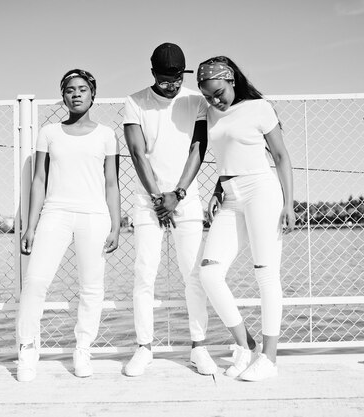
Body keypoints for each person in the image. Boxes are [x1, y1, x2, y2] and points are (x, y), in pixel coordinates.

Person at [15, 69, 121, 382]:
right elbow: (39, 180)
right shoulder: (49, 133)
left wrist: (116, 226)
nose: (76, 94)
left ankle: (83, 348)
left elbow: (112, 183)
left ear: (93, 95)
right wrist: (30, 226)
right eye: (70, 90)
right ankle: (27, 348)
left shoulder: (106, 135)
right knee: (35, 281)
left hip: (94, 215)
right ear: (63, 96)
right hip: (55, 213)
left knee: (91, 287)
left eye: (82, 89)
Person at [196, 56, 295, 382]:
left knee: (265, 274)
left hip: (262, 192)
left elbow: (280, 156)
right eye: (208, 94)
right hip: (230, 197)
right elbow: (226, 155)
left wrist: (289, 204)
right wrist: (215, 189)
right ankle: (245, 344)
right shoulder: (210, 113)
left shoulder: (259, 108)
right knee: (209, 273)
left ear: (232, 80)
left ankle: (269, 358)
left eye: (218, 92)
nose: (214, 99)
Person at [122, 42, 217, 377]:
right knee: (144, 273)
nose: (172, 85)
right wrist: (157, 197)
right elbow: (136, 153)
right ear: (153, 75)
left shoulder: (195, 100)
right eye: (164, 80)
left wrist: (177, 193)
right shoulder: (134, 102)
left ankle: (199, 347)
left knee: (194, 274)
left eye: (176, 78)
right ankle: (144, 348)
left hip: (185, 197)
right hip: (147, 201)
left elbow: (198, 147)